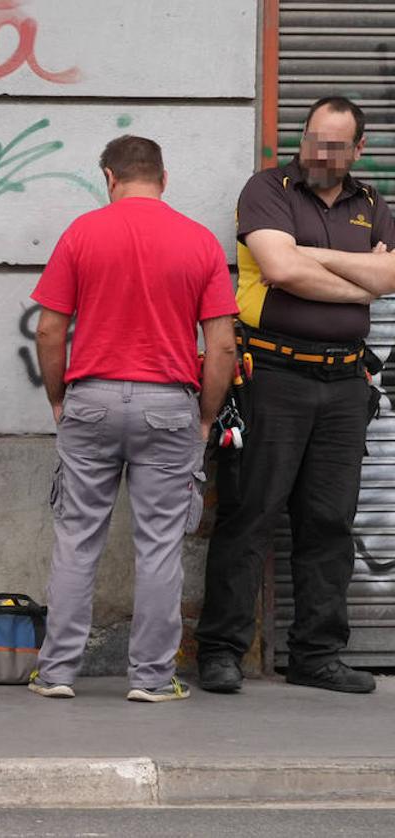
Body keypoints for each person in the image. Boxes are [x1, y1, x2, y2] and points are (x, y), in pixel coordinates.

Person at [196, 96, 395, 695]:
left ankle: (316, 654)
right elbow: (280, 270)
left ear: (358, 150)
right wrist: (354, 274)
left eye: (334, 144)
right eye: (313, 139)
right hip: (273, 376)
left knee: (329, 521)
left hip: (343, 384)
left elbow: (389, 280)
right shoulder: (267, 188)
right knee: (250, 513)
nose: (320, 152)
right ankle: (222, 650)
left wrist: (312, 255)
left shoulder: (372, 203)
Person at [30, 136, 238, 703]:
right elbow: (221, 346)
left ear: (108, 176)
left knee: (77, 539)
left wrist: (58, 397)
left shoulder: (82, 233)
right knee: (160, 546)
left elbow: (49, 329)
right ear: (164, 178)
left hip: (91, 399)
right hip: (170, 405)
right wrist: (204, 417)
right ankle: (150, 677)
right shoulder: (198, 242)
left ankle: (57, 674)